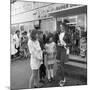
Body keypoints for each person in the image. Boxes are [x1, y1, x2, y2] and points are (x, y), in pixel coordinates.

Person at [56, 22, 69, 86]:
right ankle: (63, 78)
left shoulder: (67, 34)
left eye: (62, 27)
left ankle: (63, 79)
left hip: (64, 50)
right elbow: (59, 41)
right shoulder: (60, 34)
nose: (60, 28)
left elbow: (71, 43)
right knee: (61, 65)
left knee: (61, 64)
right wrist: (58, 43)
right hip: (59, 49)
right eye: (60, 27)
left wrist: (65, 44)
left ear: (64, 27)